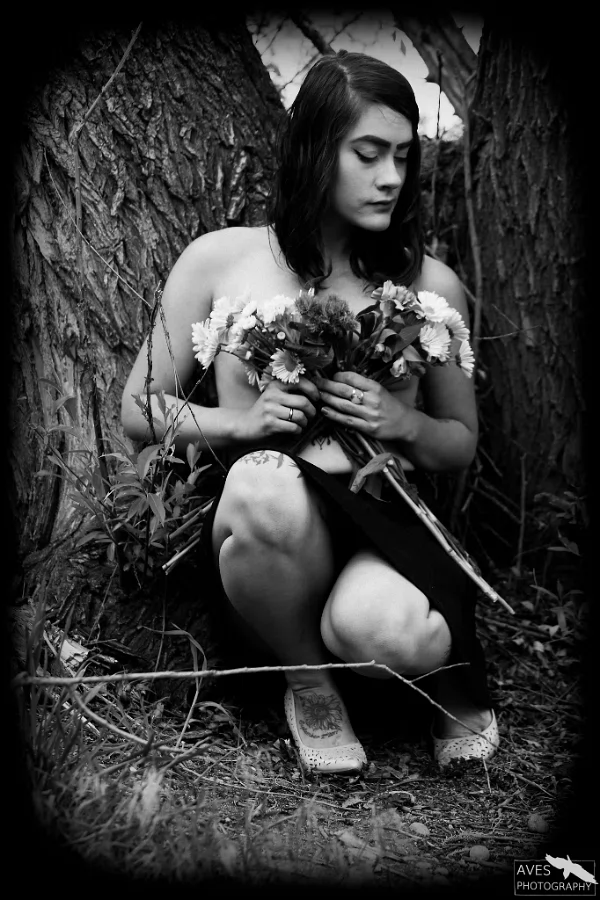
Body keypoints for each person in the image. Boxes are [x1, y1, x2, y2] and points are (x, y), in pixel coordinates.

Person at [121, 50, 499, 774]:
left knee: (389, 634)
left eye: (403, 156)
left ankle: (408, 668)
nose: (391, 177)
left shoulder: (429, 284)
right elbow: (139, 409)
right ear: (315, 151)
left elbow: (458, 445)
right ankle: (309, 685)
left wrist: (401, 423)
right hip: (270, 546)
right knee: (264, 481)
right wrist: (245, 425)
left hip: (382, 532)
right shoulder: (221, 260)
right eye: (368, 153)